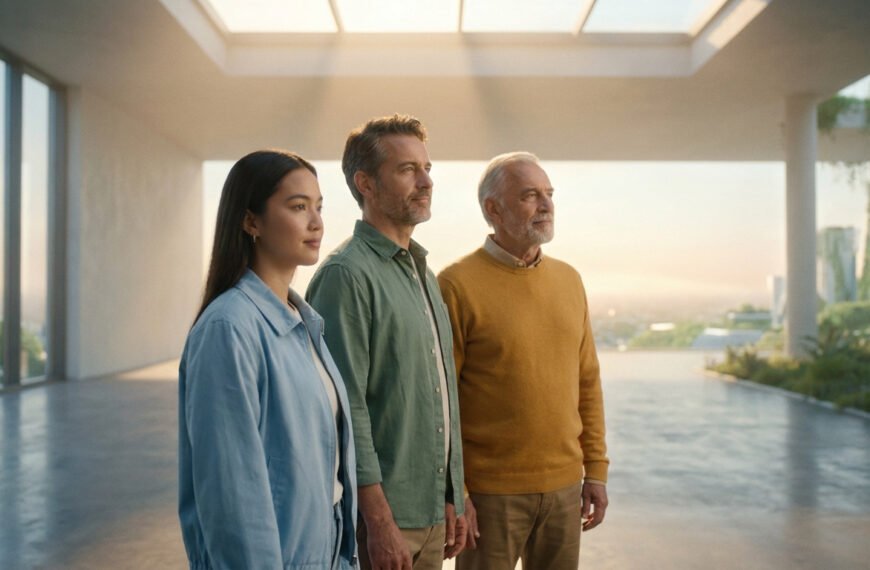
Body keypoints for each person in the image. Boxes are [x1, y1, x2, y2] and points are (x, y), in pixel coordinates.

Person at [178, 150, 358, 569]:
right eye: (298, 207)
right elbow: (231, 494)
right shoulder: (229, 328)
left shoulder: (304, 321)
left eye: (318, 207)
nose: (316, 223)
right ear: (251, 221)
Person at [306, 114, 466, 570]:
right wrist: (378, 522)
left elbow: (441, 392)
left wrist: (453, 494)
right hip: (384, 521)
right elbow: (345, 410)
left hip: (431, 512)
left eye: (427, 168)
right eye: (407, 170)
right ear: (366, 184)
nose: (426, 181)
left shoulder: (423, 272)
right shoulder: (346, 275)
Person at [438, 152, 609, 570]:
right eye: (530, 195)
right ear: (493, 209)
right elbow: (441, 401)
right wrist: (457, 492)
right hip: (488, 496)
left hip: (566, 489)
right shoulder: (454, 285)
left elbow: (587, 381)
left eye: (549, 194)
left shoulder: (570, 280)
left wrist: (596, 470)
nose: (546, 205)